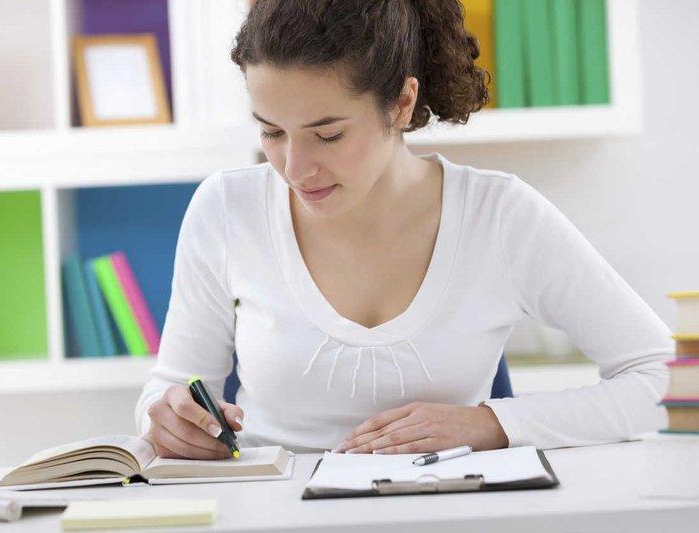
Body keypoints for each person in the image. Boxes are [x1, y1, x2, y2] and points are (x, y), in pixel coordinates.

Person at [136, 0, 672, 460]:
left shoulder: (499, 215)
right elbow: (172, 387)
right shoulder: (227, 208)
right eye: (272, 132)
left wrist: (491, 424)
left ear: (401, 103)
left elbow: (664, 378)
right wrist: (167, 420)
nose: (294, 169)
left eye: (328, 135)